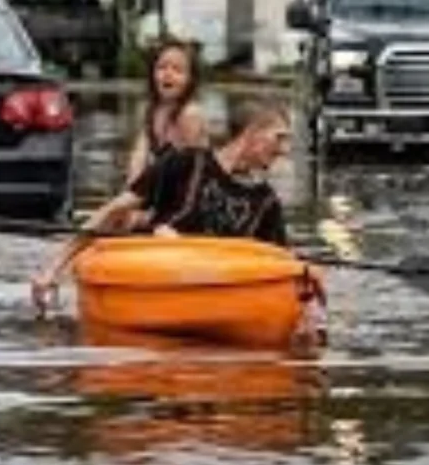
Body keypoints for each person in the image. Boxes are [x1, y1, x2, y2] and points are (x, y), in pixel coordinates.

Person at [31, 97, 297, 313]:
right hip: (159, 278)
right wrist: (52, 270)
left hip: (220, 292)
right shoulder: (183, 164)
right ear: (252, 133)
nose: (284, 150)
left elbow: (285, 266)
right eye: (279, 137)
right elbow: (113, 211)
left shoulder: (267, 203)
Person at [125, 37, 208, 185]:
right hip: (164, 186)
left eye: (177, 70)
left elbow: (190, 171)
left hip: (191, 189)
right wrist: (131, 185)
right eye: (162, 67)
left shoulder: (189, 114)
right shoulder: (153, 110)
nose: (168, 74)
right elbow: (138, 156)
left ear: (190, 79)